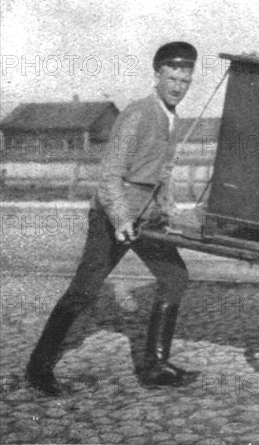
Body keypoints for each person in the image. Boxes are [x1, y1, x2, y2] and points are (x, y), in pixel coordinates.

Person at [25, 41, 199, 395]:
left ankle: (155, 366)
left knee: (175, 278)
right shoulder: (137, 114)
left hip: (147, 221)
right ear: (157, 76)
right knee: (83, 292)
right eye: (171, 78)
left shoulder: (171, 116)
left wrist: (169, 210)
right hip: (112, 218)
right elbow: (109, 175)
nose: (178, 87)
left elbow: (158, 172)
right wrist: (121, 220)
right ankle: (38, 367)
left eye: (185, 80)